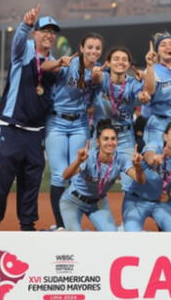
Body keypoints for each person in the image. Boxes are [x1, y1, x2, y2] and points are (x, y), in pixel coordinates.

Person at [0, 6, 59, 231]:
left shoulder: (56, 62)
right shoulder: (24, 50)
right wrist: (25, 25)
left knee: (31, 182)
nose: (48, 34)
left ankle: (27, 225)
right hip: (12, 127)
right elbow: (17, 42)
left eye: (52, 31)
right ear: (35, 34)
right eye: (43, 30)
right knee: (2, 181)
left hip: (36, 133)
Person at [42, 32, 104, 230]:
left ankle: (72, 224)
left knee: (77, 175)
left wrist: (96, 81)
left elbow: (95, 100)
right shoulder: (70, 63)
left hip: (80, 123)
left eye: (97, 48)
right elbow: (43, 66)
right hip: (57, 121)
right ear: (82, 47)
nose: (94, 51)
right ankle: (61, 226)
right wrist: (59, 62)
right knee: (59, 175)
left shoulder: (98, 71)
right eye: (90, 47)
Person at [59, 120, 146, 231]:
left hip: (98, 204)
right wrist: (78, 161)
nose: (110, 142)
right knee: (75, 236)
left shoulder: (121, 159)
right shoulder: (88, 157)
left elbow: (141, 181)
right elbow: (65, 176)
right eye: (105, 139)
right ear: (97, 142)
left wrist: (138, 168)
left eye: (113, 138)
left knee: (110, 235)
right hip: (73, 201)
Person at [91, 47, 146, 192]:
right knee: (92, 181)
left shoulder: (133, 82)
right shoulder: (103, 78)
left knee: (130, 184)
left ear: (129, 64)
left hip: (124, 137)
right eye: (115, 59)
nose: (120, 62)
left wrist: (143, 95)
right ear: (108, 63)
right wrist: (95, 74)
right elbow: (96, 79)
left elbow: (141, 95)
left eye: (124, 59)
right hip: (101, 136)